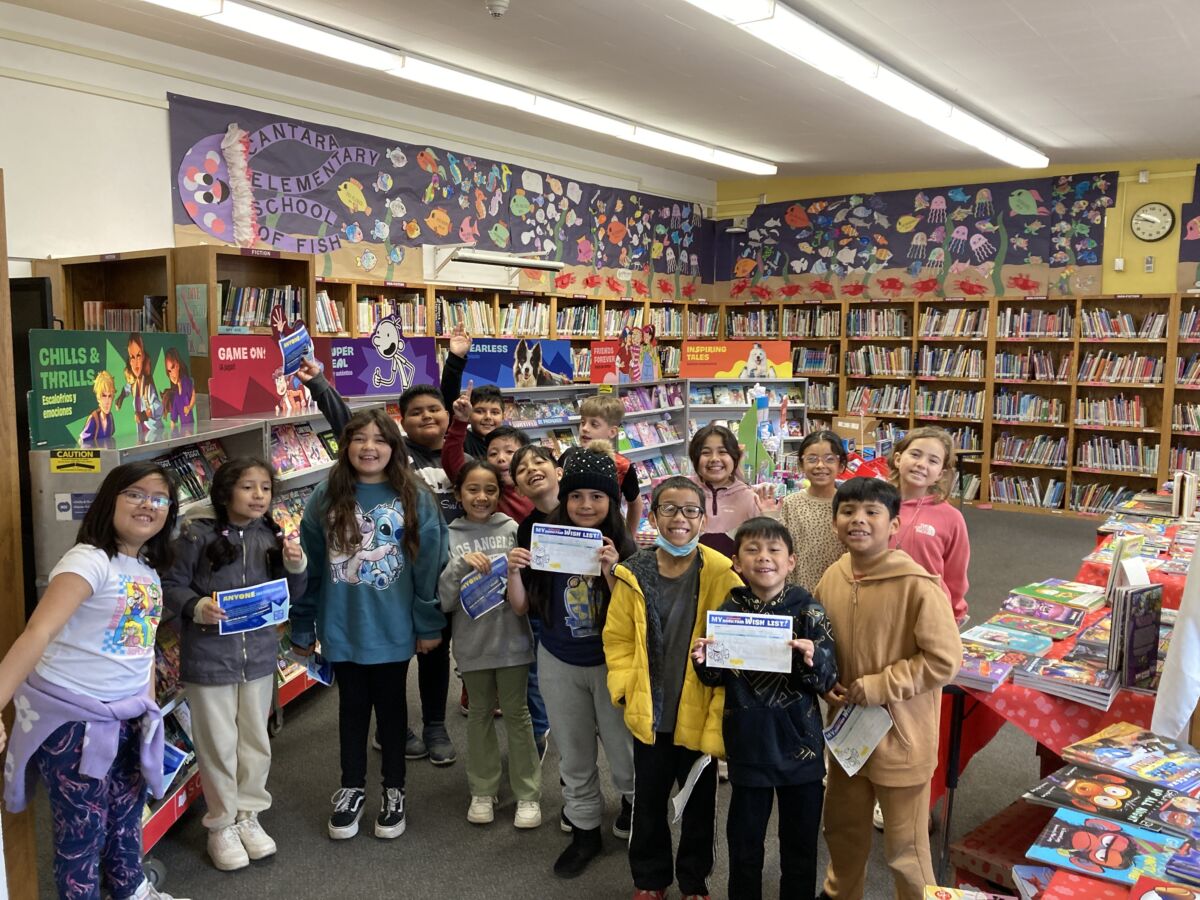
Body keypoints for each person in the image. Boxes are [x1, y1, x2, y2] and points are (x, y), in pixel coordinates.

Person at [0, 461, 180, 900]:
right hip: (73, 722)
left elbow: (141, 650)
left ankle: (131, 890)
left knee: (125, 818)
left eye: (159, 499)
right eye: (135, 494)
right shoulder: (88, 560)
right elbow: (37, 633)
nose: (148, 505)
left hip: (127, 717)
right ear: (108, 501)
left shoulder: (145, 570)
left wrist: (149, 711)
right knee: (81, 834)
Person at [291, 408, 449, 841]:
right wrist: (302, 624)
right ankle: (352, 788)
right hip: (342, 624)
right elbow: (310, 568)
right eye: (359, 438)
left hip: (393, 626)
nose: (369, 447)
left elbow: (429, 564)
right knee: (351, 709)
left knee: (393, 709)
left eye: (379, 439)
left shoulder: (414, 495)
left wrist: (427, 623)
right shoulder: (325, 496)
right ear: (345, 446)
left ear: (394, 447)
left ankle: (394, 789)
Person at [299, 361, 459, 767]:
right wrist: (319, 384)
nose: (427, 417)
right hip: (371, 599)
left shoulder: (457, 451)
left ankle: (433, 726)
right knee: (368, 694)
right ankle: (385, 743)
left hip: (436, 583)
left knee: (432, 660)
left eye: (435, 410)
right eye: (416, 412)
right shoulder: (363, 472)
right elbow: (351, 425)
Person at [816, 477, 962, 900]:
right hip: (847, 737)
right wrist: (825, 681)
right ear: (835, 523)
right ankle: (840, 894)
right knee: (842, 830)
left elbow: (944, 660)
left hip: (902, 739)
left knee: (906, 848)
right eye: (847, 511)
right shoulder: (833, 576)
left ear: (894, 525)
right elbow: (824, 643)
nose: (858, 520)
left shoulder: (918, 584)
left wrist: (882, 685)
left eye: (872, 512)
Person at [162, 457, 307, 871]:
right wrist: (196, 606)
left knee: (255, 741)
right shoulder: (196, 534)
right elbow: (170, 584)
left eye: (265, 488)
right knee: (218, 743)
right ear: (226, 493)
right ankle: (221, 822)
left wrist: (296, 564)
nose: (259, 495)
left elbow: (290, 594)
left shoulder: (270, 535)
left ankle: (249, 813)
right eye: (247, 487)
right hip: (210, 659)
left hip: (258, 657)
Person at [604, 475, 743, 900]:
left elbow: (736, 644)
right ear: (653, 514)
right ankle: (650, 880)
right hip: (651, 709)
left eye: (690, 510)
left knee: (699, 805)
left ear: (703, 519)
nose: (679, 518)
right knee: (648, 802)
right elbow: (618, 638)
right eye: (669, 508)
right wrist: (626, 688)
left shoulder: (722, 573)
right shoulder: (633, 572)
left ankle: (694, 882)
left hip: (700, 710)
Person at [507, 442, 636, 879]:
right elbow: (522, 606)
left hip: (613, 665)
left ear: (611, 501)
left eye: (597, 496)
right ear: (564, 498)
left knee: (624, 752)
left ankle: (636, 813)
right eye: (576, 496)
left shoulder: (625, 548)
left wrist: (613, 573)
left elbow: (634, 618)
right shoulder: (545, 538)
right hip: (558, 659)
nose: (585, 505)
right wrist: (513, 570)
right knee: (573, 753)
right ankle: (584, 831)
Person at [692, 517, 838, 900]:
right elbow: (715, 678)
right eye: (752, 550)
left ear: (791, 562)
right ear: (737, 562)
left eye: (774, 550)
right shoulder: (730, 609)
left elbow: (827, 679)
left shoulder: (808, 610)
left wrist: (814, 658)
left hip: (800, 747)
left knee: (800, 847)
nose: (763, 557)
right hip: (748, 746)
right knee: (744, 846)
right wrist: (704, 661)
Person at [437, 459, 541, 829]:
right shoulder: (449, 535)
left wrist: (518, 566)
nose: (482, 497)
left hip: (513, 640)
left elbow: (531, 586)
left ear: (500, 493)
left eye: (490, 490)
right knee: (479, 713)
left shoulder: (512, 529)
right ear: (458, 493)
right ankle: (482, 790)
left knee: (518, 714)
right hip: (472, 644)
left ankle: (528, 793)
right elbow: (445, 600)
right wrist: (459, 566)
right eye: (473, 489)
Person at [509, 443, 563, 756]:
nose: (531, 469)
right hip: (549, 617)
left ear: (559, 472)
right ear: (518, 489)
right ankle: (541, 730)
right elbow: (528, 592)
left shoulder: (584, 510)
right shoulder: (528, 527)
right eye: (522, 469)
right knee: (542, 676)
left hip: (591, 617)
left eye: (539, 462)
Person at [887, 426, 971, 625]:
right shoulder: (875, 505)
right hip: (881, 607)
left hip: (929, 612)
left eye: (933, 461)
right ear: (898, 459)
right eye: (915, 454)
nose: (921, 464)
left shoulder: (951, 518)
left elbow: (956, 576)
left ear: (940, 473)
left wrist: (952, 616)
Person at [445, 382, 533, 521]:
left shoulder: (534, 487)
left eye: (510, 452)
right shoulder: (489, 490)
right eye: (493, 453)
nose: (501, 458)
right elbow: (452, 461)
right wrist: (461, 420)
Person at [780, 430, 849, 592]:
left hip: (839, 590)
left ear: (841, 465)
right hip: (799, 592)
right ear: (801, 464)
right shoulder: (791, 503)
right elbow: (781, 549)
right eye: (812, 459)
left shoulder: (849, 505)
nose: (820, 466)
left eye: (829, 459)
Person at [688, 423, 763, 556]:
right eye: (705, 452)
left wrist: (769, 515)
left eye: (722, 452)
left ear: (735, 457)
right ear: (695, 459)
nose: (714, 459)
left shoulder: (749, 498)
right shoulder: (684, 492)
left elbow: (762, 543)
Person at [577, 393, 643, 535]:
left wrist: (629, 536)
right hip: (574, 531)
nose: (585, 428)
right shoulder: (571, 458)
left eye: (594, 424)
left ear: (612, 432)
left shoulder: (622, 466)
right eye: (582, 422)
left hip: (610, 533)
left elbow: (635, 503)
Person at [439, 324, 504, 458]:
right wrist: (456, 358)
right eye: (479, 411)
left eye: (495, 412)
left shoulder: (510, 443)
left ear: (504, 416)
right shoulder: (463, 441)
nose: (488, 417)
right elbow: (448, 398)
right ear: (468, 414)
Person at [114, 332, 163, 430]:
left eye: (138, 355)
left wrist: (145, 415)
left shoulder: (148, 387)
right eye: (132, 357)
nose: (136, 362)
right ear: (130, 361)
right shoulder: (134, 384)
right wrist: (121, 397)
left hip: (154, 433)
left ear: (143, 357)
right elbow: (127, 388)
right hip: (141, 434)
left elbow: (159, 407)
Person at [162, 347, 197, 427]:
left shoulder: (186, 382)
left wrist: (189, 407)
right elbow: (173, 419)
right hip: (183, 429)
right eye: (169, 371)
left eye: (173, 367)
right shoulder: (176, 396)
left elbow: (193, 395)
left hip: (191, 426)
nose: (172, 374)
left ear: (178, 365)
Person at [80, 369, 117, 442]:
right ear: (98, 398)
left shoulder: (110, 417)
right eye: (104, 396)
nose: (107, 401)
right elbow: (82, 442)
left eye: (109, 396)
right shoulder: (93, 419)